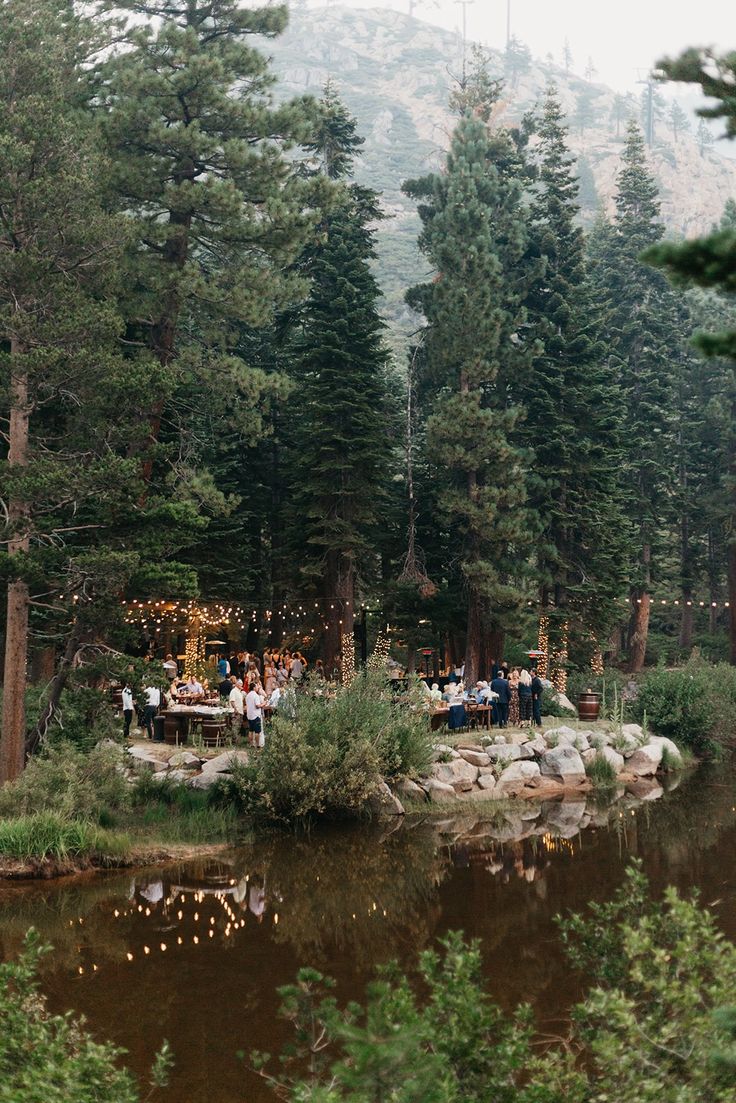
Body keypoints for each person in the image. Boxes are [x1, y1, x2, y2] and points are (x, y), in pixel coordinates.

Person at [245, 682, 266, 748]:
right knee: (257, 732)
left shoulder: (248, 695)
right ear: (254, 688)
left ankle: (251, 744)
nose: (257, 688)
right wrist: (263, 704)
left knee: (251, 731)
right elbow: (257, 706)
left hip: (249, 715)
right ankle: (257, 745)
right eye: (256, 687)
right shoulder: (255, 695)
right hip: (256, 715)